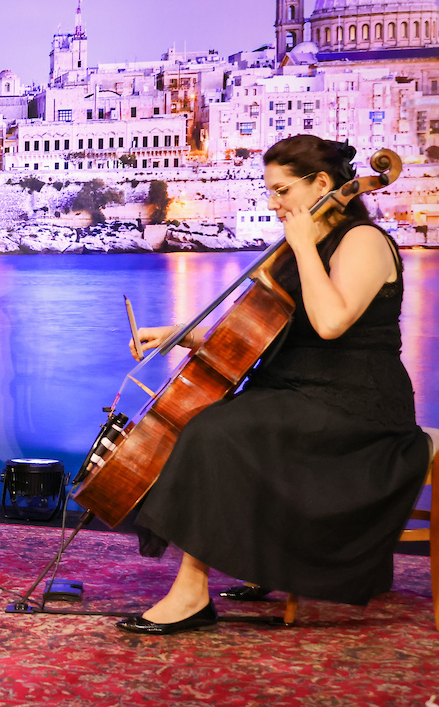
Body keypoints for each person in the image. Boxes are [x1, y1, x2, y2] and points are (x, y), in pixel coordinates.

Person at [118, 134, 431, 635]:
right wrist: (181, 333)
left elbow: (329, 323)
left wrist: (304, 246)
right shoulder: (300, 248)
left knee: (216, 433)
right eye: (270, 191)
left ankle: (191, 594)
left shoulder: (364, 242)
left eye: (282, 190)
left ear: (322, 185)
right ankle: (259, 562)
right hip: (295, 391)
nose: (273, 203)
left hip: (356, 408)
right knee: (214, 421)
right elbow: (264, 332)